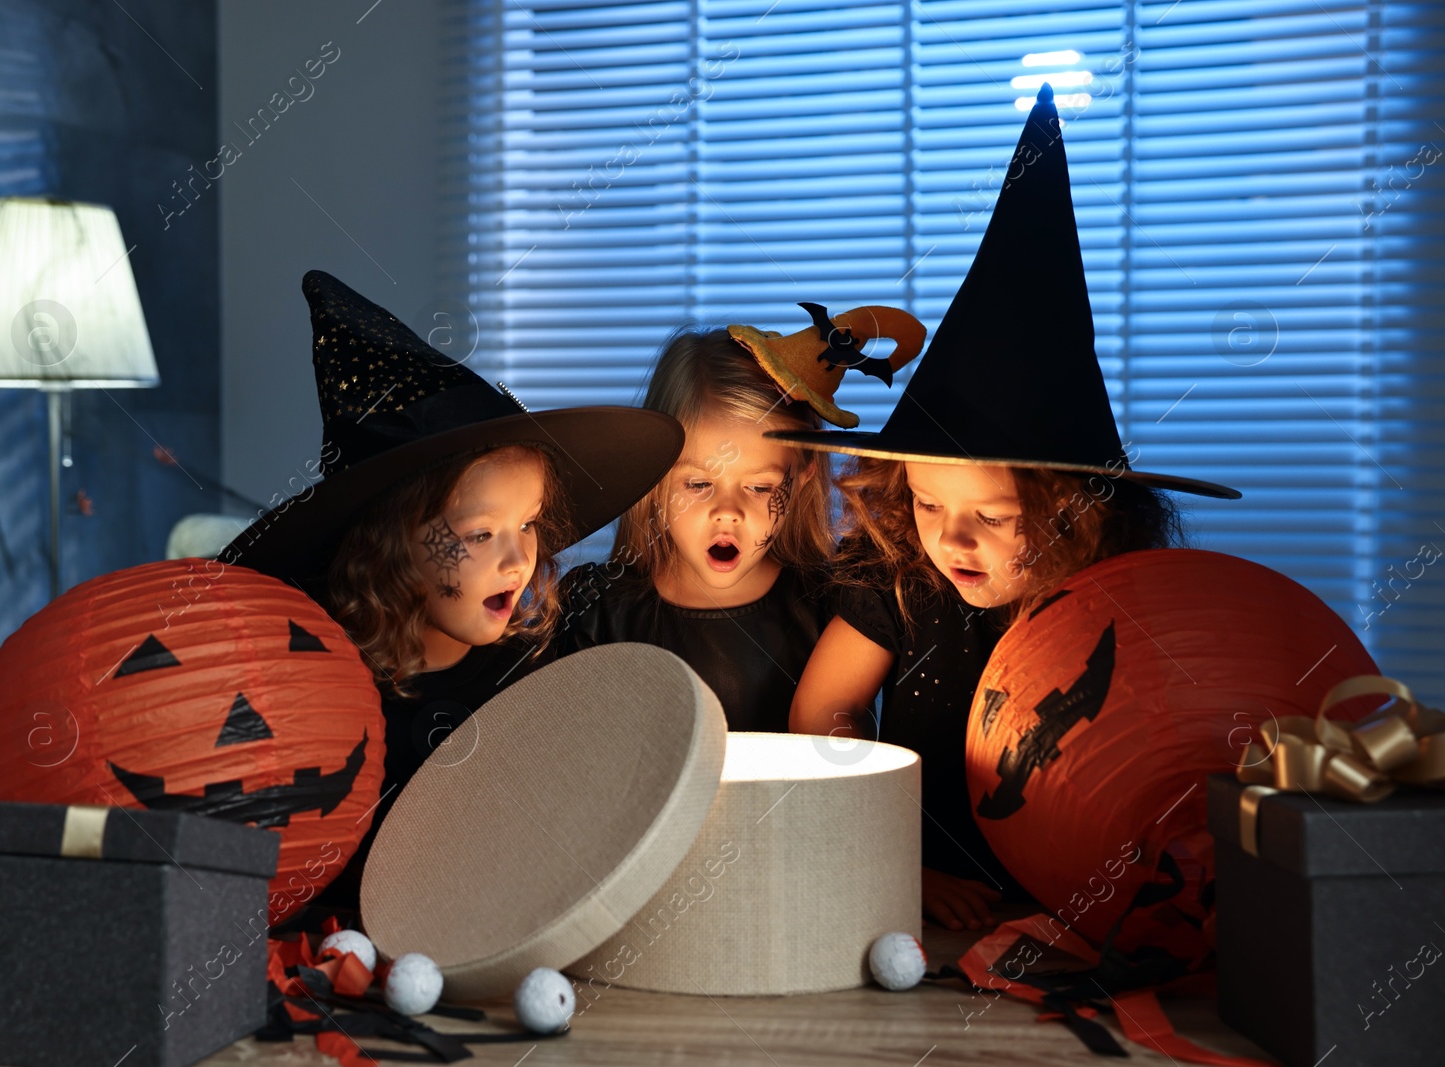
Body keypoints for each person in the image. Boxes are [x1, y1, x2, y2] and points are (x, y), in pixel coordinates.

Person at [776, 84, 1240, 932]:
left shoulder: (1121, 597)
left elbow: (1177, 750)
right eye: (923, 501)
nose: (949, 535)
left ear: (1080, 514)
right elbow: (822, 714)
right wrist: (893, 862)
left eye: (991, 517)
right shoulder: (901, 579)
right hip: (919, 896)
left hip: (1079, 904)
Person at [223, 270, 683, 911]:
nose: (520, 557)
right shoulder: (316, 688)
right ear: (390, 545)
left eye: (527, 524)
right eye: (479, 533)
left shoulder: (527, 676)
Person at [556, 310, 922, 732]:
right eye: (697, 483)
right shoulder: (593, 612)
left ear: (802, 476)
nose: (727, 511)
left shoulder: (838, 611)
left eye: (760, 488)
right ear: (653, 474)